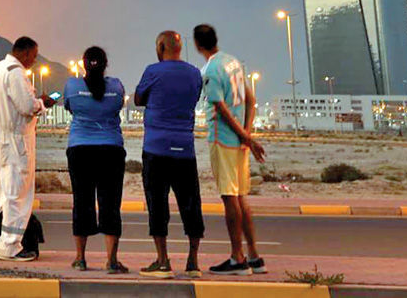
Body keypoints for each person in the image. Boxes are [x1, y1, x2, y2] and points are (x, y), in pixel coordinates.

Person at [194, 23, 267, 276]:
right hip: (239, 142)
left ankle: (237, 258)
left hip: (224, 139)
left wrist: (244, 136)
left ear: (197, 45)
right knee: (241, 196)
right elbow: (251, 99)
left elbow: (221, 109)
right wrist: (247, 136)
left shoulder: (211, 69)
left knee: (229, 197)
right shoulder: (233, 62)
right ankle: (254, 255)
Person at [133, 30, 205, 279]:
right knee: (191, 203)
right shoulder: (195, 73)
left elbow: (138, 99)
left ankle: (163, 261)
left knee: (157, 204)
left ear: (161, 47)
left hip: (156, 148)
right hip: (185, 148)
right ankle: (193, 261)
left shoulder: (153, 70)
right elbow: (194, 98)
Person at [0, 35, 56, 261]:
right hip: (17, 141)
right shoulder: (15, 72)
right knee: (17, 193)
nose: (34, 62)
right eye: (34, 57)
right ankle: (10, 246)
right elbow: (27, 106)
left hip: (2, 138)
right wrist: (43, 104)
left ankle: (5, 241)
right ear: (25, 53)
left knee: (6, 190)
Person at [63, 46, 129, 274]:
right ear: (105, 64)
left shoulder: (72, 86)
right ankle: (111, 261)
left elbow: (69, 108)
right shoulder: (117, 86)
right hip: (110, 149)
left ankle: (80, 259)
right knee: (111, 203)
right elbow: (118, 106)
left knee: (82, 202)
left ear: (83, 64)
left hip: (80, 149)